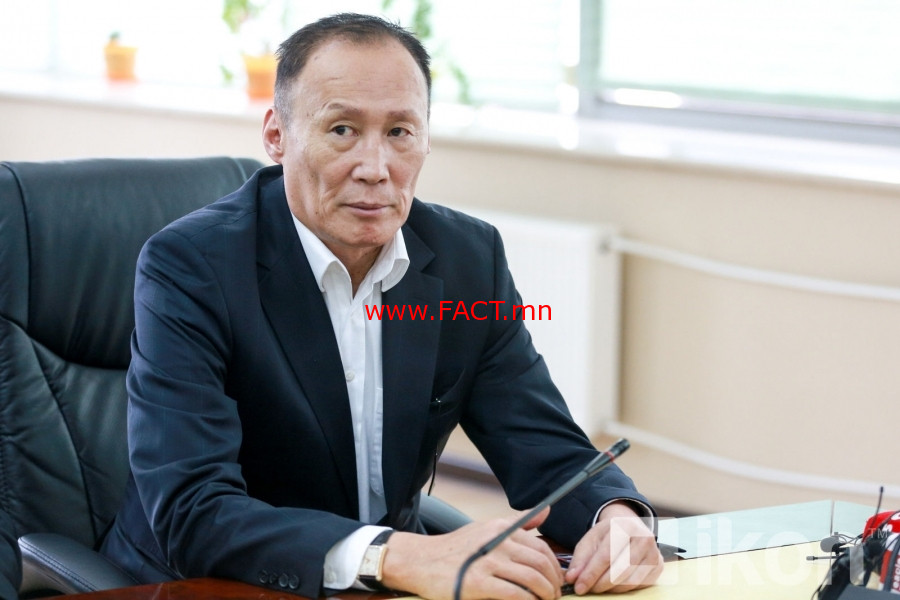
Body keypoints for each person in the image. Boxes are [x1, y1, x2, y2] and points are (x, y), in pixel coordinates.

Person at [100, 12, 663, 600]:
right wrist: (393, 555)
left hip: (388, 584)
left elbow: (543, 445)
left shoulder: (467, 260)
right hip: (206, 583)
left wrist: (616, 517)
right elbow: (193, 511)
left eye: (400, 132)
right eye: (342, 129)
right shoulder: (192, 266)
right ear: (276, 136)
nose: (375, 169)